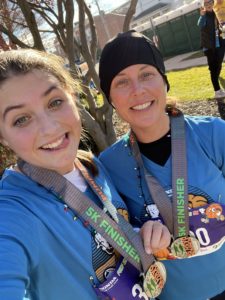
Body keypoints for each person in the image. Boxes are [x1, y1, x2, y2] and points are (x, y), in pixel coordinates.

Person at [0, 49, 171, 300]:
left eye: (55, 102)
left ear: (73, 98)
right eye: (21, 119)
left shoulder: (91, 166)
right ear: (3, 138)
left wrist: (141, 234)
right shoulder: (14, 210)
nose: (49, 128)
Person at [98, 30, 225, 300]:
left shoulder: (214, 134)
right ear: (111, 99)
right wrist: (139, 233)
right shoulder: (108, 166)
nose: (138, 90)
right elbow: (115, 238)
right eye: (122, 82)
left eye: (146, 74)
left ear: (164, 81)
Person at [198, 0, 225, 98]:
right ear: (204, 6)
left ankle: (217, 87)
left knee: (218, 66)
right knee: (213, 69)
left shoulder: (217, 13)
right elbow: (200, 25)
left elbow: (221, 26)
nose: (208, 4)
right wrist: (201, 16)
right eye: (206, 3)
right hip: (209, 47)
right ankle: (217, 91)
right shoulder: (204, 15)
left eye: (210, 2)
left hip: (220, 44)